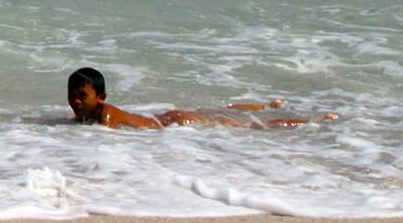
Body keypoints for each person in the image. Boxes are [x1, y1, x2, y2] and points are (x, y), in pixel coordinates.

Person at [66, 67, 333, 129]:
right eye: (72, 96)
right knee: (216, 110)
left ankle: (309, 121)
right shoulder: (86, 115)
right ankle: (263, 105)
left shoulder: (105, 115)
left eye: (83, 96)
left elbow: (102, 138)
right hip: (164, 119)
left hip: (174, 125)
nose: (76, 101)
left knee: (250, 126)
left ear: (101, 98)